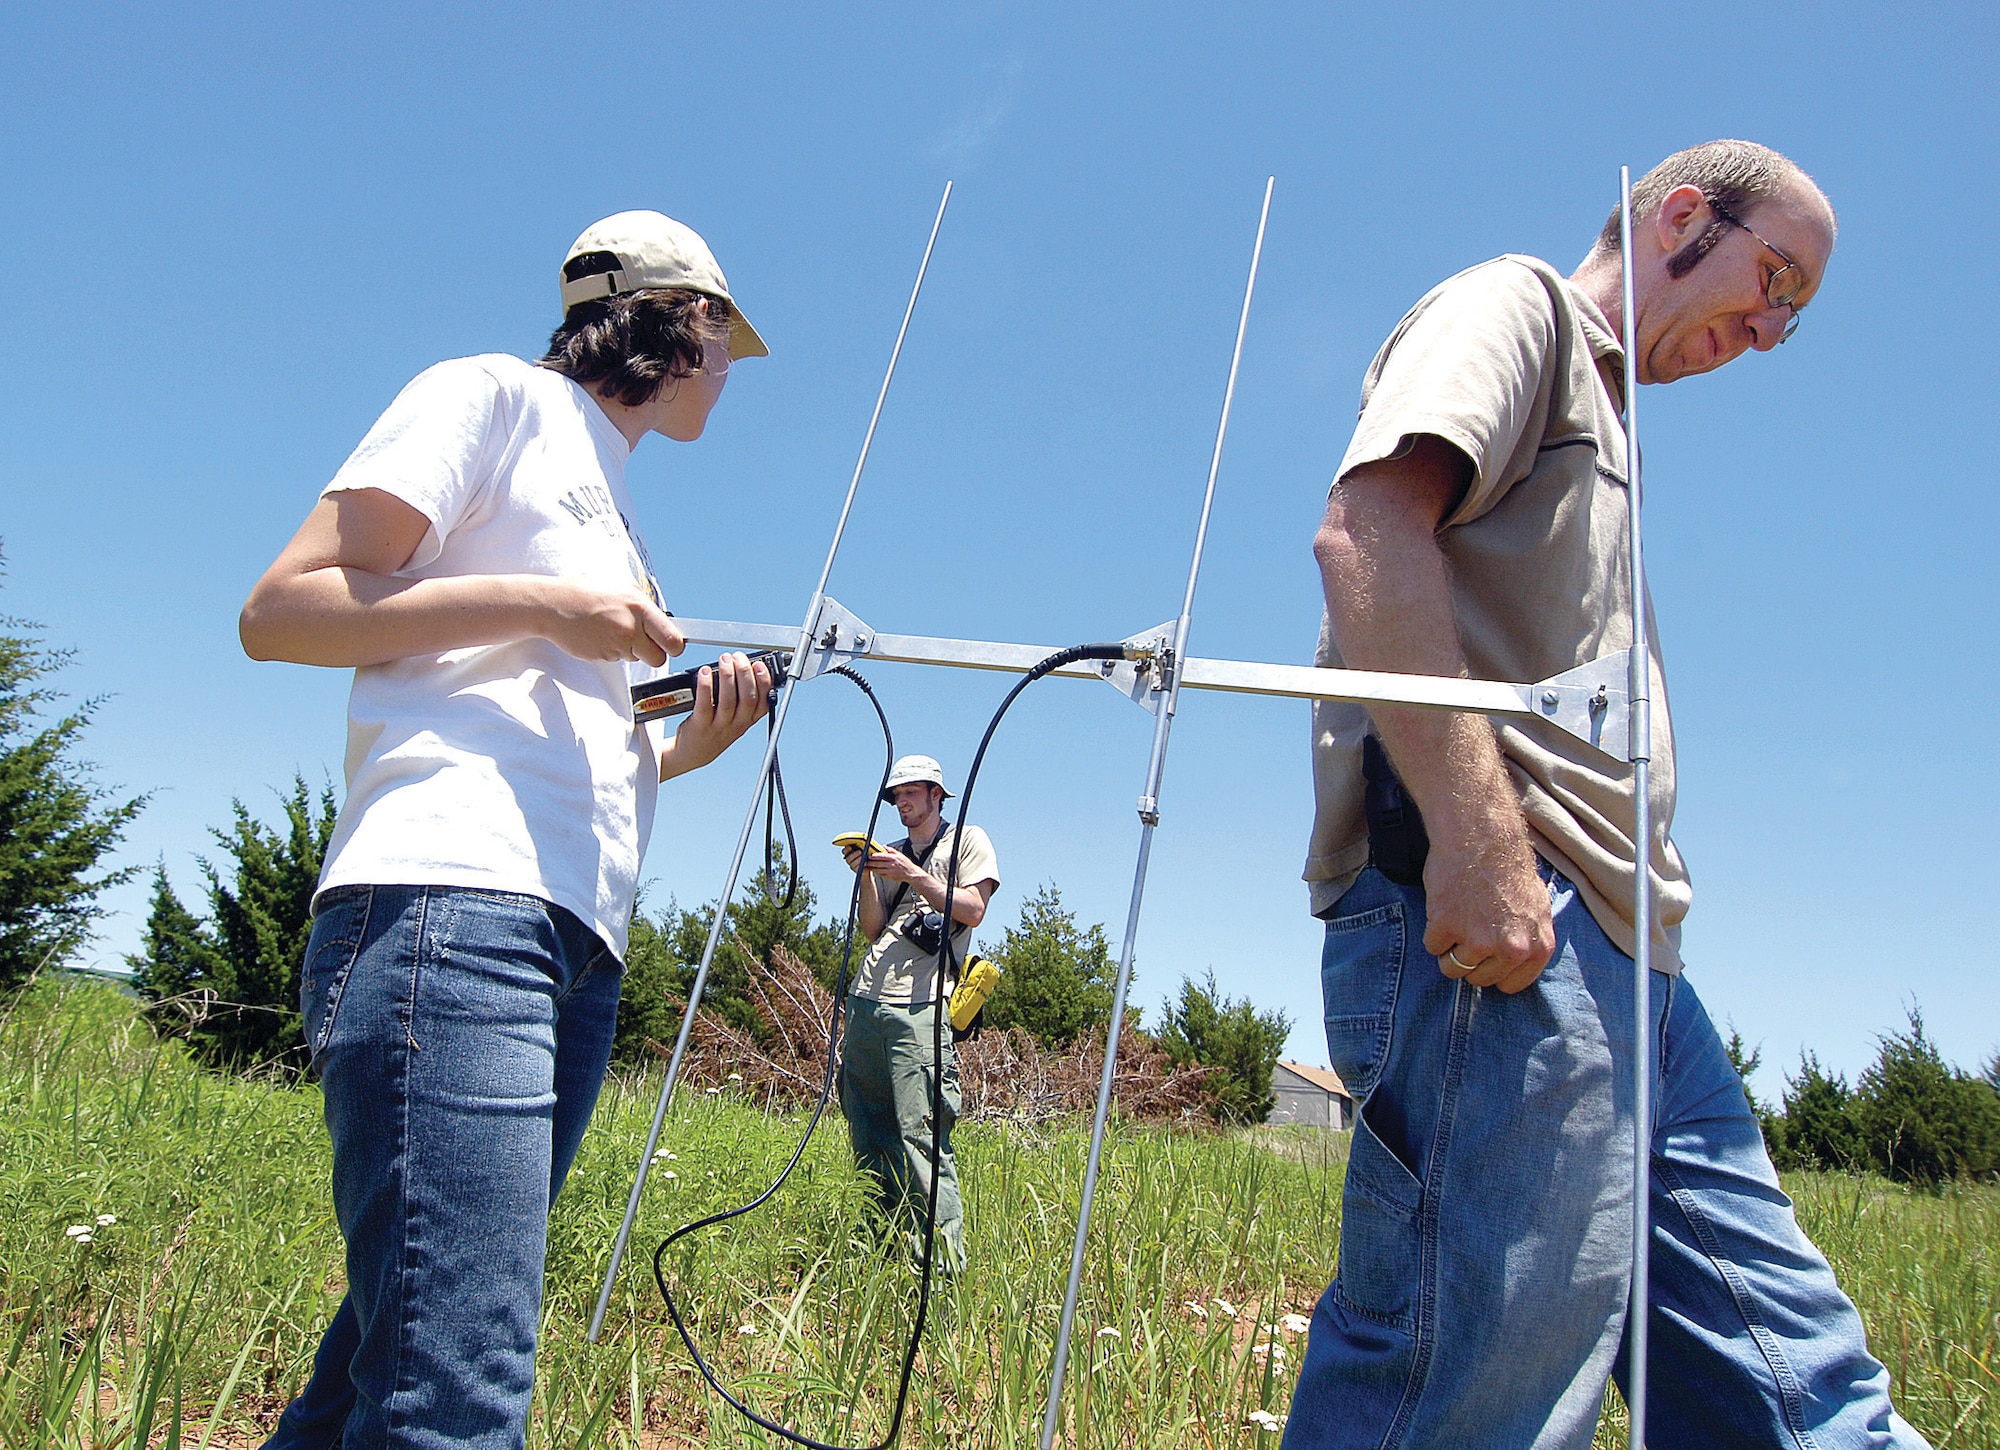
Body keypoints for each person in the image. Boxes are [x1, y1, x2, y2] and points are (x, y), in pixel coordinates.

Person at [1288, 142, 1928, 1448]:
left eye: (1795, 318)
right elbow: (1368, 530)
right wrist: (1477, 843)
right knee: (1471, 1385)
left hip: (1639, 953)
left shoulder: (1622, 421)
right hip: (1516, 931)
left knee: (1792, 1380)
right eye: (1774, 278)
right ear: (1684, 214)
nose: (1771, 327)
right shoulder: (1518, 307)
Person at [240, 210, 776, 1450]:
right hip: (448, 908)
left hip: (571, 941)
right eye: (725, 331)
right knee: (459, 1384)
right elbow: (282, 609)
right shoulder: (485, 393)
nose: (734, 364)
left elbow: (575, 736)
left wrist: (687, 742)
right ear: (672, 320)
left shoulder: (617, 510)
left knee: (404, 1341)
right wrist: (545, 601)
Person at [837, 754, 1000, 1273]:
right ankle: (877, 1253)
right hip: (867, 1001)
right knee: (867, 1127)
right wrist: (867, 874)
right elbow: (872, 929)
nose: (902, 801)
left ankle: (940, 1272)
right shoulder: (893, 853)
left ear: (936, 794)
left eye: (911, 792)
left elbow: (973, 909)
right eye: (896, 795)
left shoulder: (968, 841)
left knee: (922, 1137)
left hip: (922, 1008)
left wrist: (913, 874)